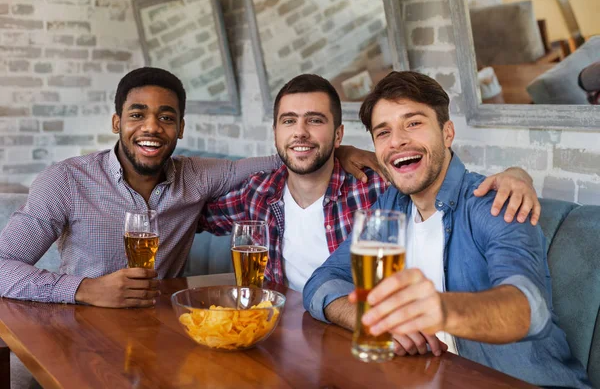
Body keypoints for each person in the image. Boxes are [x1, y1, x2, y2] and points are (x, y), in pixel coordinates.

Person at [302, 71, 591, 388]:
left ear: (447, 133)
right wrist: (375, 322)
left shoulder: (493, 204)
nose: (397, 140)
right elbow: (321, 282)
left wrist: (440, 309)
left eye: (413, 123)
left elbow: (528, 309)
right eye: (383, 132)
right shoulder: (391, 207)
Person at [0, 67, 372, 308]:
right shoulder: (65, 180)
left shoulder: (197, 178)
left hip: (165, 327)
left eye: (166, 117)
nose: (151, 127)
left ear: (180, 128)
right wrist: (83, 289)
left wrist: (339, 149)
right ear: (117, 122)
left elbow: (285, 157)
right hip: (80, 328)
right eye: (136, 115)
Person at [200, 74, 540, 292]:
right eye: (289, 121)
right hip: (292, 331)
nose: (300, 132)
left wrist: (517, 176)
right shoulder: (258, 193)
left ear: (338, 135)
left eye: (315, 121)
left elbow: (449, 179)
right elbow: (192, 211)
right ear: (275, 132)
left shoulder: (377, 189)